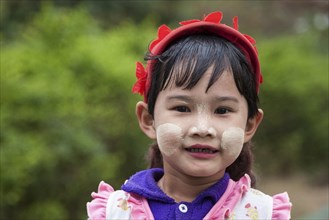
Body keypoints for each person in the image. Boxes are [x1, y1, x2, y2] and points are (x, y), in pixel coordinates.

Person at [87, 11, 292, 219]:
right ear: (148, 120)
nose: (202, 129)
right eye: (182, 108)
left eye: (222, 110)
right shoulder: (114, 211)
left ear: (249, 125)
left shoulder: (263, 213)